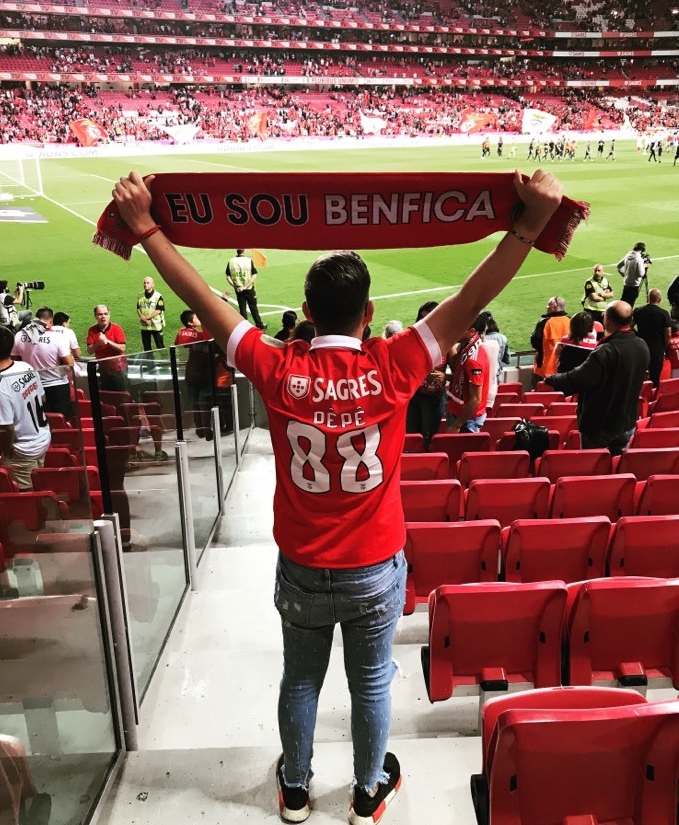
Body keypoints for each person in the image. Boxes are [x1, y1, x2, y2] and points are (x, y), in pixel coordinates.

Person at [111, 166, 563, 825]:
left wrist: (146, 228)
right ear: (369, 313)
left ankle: (294, 790)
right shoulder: (397, 363)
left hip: (301, 566)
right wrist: (528, 226)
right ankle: (365, 792)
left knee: (300, 678)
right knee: (372, 681)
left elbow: (206, 300)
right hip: (374, 567)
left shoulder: (275, 366)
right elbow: (470, 298)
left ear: (309, 308)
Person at [543, 301, 649, 455]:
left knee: (591, 464)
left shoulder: (605, 351)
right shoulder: (642, 345)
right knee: (617, 464)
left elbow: (579, 378)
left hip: (600, 424)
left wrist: (552, 379)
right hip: (627, 422)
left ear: (608, 320)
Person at [0, 324, 51, 490]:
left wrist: (6, 451)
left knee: (26, 496)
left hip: (23, 451)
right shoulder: (25, 367)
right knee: (40, 487)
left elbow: (6, 428)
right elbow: (42, 396)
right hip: (42, 438)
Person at [11, 307, 74, 419]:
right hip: (57, 386)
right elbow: (70, 364)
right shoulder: (58, 337)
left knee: (38, 420)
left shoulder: (20, 335)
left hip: (31, 386)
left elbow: (14, 361)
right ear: (50, 321)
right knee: (61, 421)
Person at [406, 302, 446, 450]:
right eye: (422, 318)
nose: (425, 322)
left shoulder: (446, 339)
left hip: (433, 397)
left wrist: (445, 376)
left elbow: (457, 370)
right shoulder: (412, 337)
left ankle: (425, 464)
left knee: (428, 437)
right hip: (414, 394)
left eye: (429, 317)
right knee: (411, 434)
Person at [446, 319, 490, 432]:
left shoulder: (473, 359)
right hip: (458, 411)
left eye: (459, 330)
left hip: (467, 420)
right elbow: (463, 380)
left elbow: (476, 399)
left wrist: (457, 425)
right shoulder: (466, 348)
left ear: (472, 331)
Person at [633, 287, 672, 388]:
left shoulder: (638, 311)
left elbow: (629, 326)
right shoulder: (664, 313)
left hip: (641, 347)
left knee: (639, 375)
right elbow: (668, 334)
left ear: (648, 297)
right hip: (657, 349)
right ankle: (653, 399)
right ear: (659, 300)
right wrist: (664, 346)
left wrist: (637, 335)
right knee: (655, 377)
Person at [86, 304, 130, 392]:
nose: (103, 317)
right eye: (100, 314)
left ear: (109, 315)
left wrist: (108, 341)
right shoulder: (92, 330)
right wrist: (98, 343)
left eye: (105, 314)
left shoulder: (117, 328)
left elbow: (122, 348)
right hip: (104, 370)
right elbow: (89, 350)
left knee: (123, 396)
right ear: (95, 316)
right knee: (107, 396)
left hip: (119, 370)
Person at [530, 296, 570, 384]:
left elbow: (535, 343)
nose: (546, 307)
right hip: (563, 370)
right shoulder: (569, 321)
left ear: (555, 307)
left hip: (545, 369)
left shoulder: (544, 322)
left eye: (549, 305)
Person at [226, 249, 266, 330]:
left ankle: (244, 327)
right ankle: (259, 324)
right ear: (244, 251)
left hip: (238, 289)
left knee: (242, 308)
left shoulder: (231, 261)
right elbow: (254, 275)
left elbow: (228, 276)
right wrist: (245, 286)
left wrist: (235, 286)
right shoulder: (248, 261)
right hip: (249, 288)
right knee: (253, 307)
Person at [137, 276, 166, 352]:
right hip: (145, 326)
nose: (145, 284)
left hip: (156, 325)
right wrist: (143, 318)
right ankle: (150, 363)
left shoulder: (158, 296)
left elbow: (158, 310)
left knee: (160, 346)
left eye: (147, 283)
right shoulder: (140, 295)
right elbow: (138, 308)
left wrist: (146, 318)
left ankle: (164, 362)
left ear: (152, 285)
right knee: (146, 347)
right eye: (144, 283)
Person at [616, 242, 648, 308]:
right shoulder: (639, 259)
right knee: (630, 305)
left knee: (623, 303)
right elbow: (641, 274)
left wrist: (625, 275)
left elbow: (618, 266)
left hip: (626, 284)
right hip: (634, 285)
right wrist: (644, 266)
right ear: (642, 250)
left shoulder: (628, 255)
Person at [484, 313, 510, 383]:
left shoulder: (481, 339)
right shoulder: (503, 338)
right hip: (497, 376)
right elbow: (507, 359)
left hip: (484, 376)